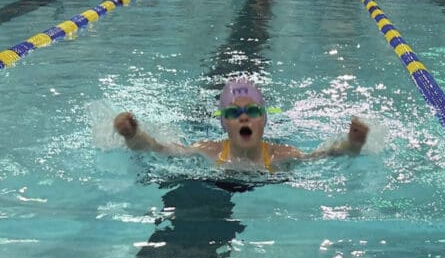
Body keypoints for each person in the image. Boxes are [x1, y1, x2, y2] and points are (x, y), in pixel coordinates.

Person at [113, 78, 369, 171]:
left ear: (264, 121)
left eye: (253, 111)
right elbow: (157, 149)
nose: (244, 117)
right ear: (224, 124)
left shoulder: (284, 155)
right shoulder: (208, 150)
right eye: (235, 112)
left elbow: (328, 155)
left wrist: (353, 143)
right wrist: (133, 135)